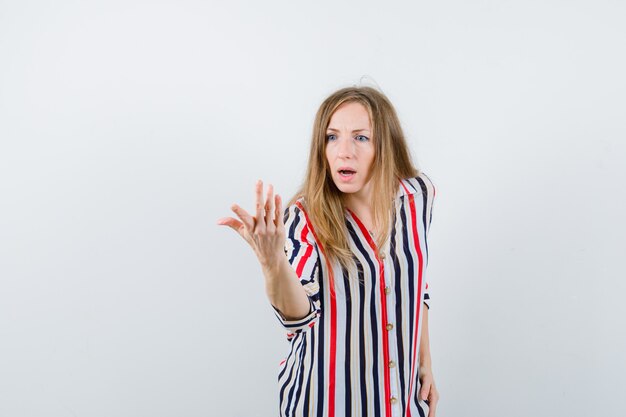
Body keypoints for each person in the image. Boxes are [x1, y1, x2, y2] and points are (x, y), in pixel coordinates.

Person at [217, 86, 439, 417]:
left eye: (361, 138)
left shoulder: (417, 196)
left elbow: (415, 284)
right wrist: (272, 262)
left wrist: (424, 363)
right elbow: (299, 316)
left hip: (400, 403)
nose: (343, 152)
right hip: (325, 403)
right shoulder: (304, 220)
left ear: (386, 145)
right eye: (332, 137)